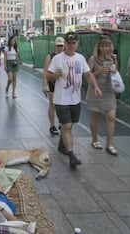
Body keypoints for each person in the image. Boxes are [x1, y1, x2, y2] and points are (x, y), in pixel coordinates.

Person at [47, 31, 102, 169]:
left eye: (74, 43)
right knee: (66, 126)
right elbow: (48, 75)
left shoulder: (80, 58)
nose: (71, 45)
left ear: (77, 44)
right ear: (65, 44)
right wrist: (56, 75)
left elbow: (88, 74)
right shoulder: (58, 59)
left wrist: (95, 86)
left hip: (76, 99)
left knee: (70, 126)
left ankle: (62, 144)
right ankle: (71, 155)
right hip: (61, 99)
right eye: (69, 43)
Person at [86, 35, 119, 155]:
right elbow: (88, 75)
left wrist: (114, 71)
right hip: (96, 90)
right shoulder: (93, 59)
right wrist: (100, 71)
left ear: (110, 46)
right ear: (98, 47)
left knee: (111, 117)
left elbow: (117, 73)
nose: (104, 48)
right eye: (102, 46)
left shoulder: (113, 58)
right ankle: (94, 139)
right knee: (95, 116)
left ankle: (109, 144)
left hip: (109, 90)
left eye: (106, 46)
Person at [42, 36, 65, 135]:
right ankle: (52, 125)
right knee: (52, 105)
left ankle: (61, 122)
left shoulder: (66, 56)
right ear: (55, 46)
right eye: (58, 46)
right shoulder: (50, 56)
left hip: (63, 83)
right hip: (53, 83)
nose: (60, 48)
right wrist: (44, 85)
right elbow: (45, 72)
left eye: (61, 46)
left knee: (63, 104)